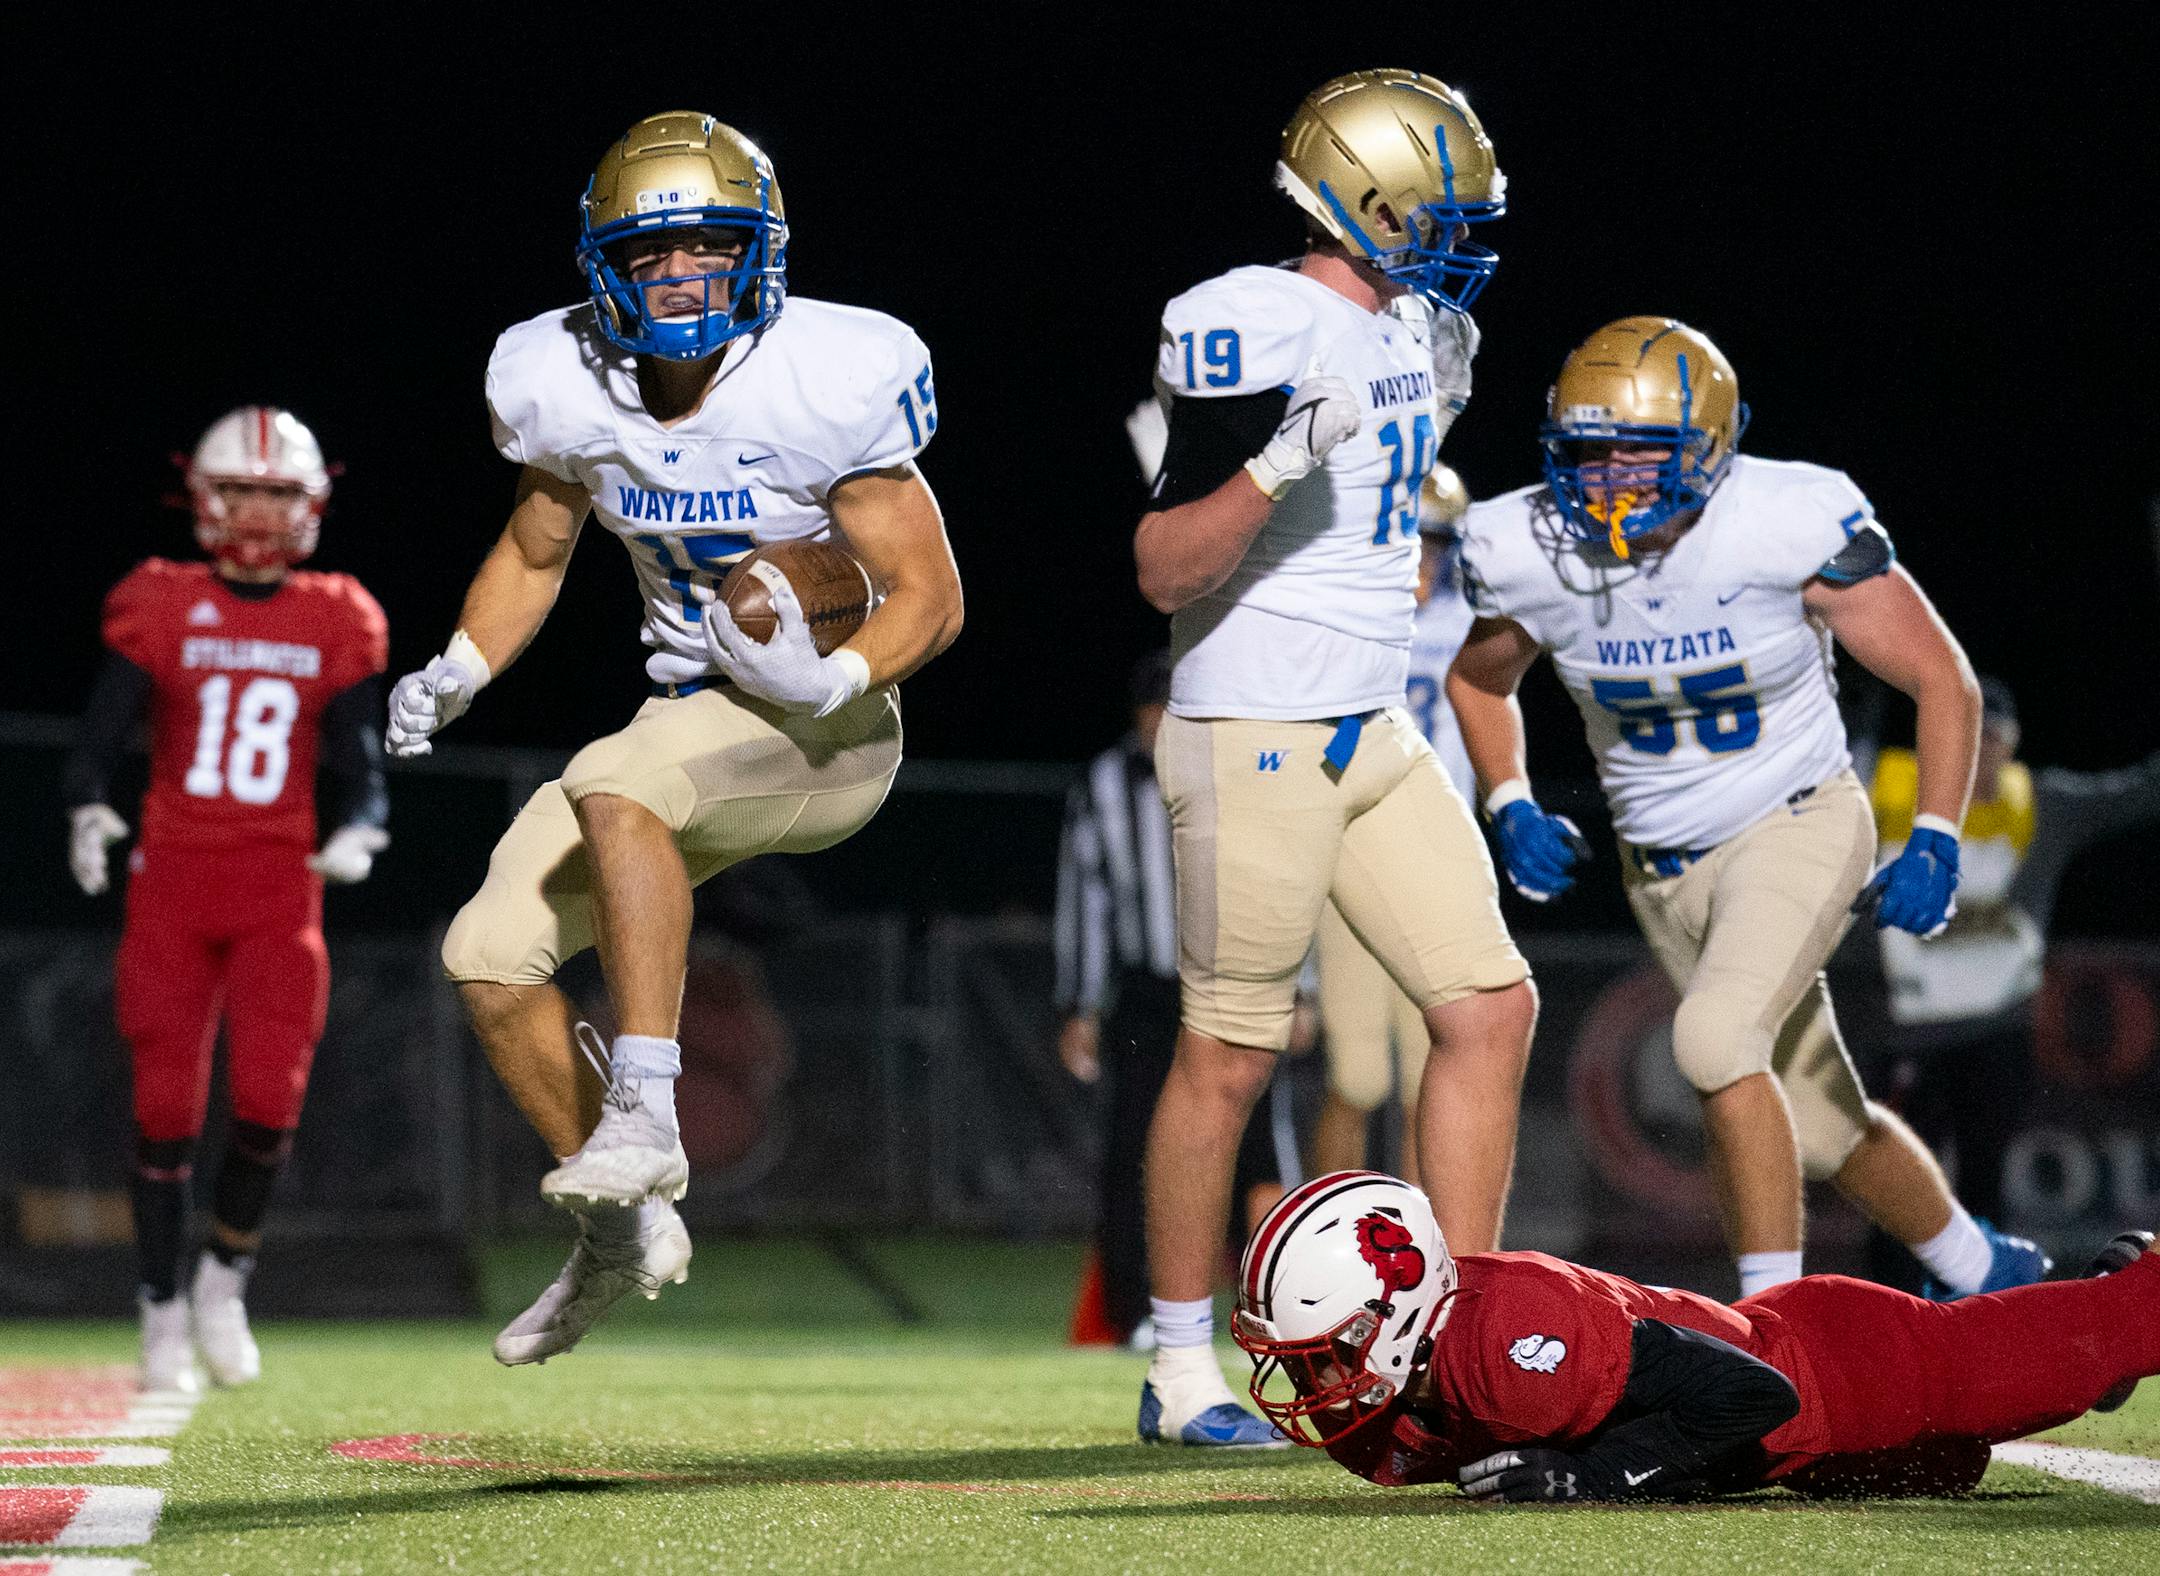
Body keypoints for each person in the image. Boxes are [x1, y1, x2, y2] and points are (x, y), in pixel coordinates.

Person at [383, 112, 962, 1366]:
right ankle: (619, 1229)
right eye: (653, 256)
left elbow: (933, 594)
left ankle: (647, 1107)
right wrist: (461, 665)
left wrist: (836, 675)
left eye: (709, 248)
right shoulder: (560, 377)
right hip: (689, 724)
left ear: (760, 253)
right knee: (487, 954)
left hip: (833, 732)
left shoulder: (826, 373)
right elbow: (537, 551)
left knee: (611, 779)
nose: (683, 276)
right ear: (608, 268)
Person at [1449, 317, 2047, 1301]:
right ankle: (1985, 1267)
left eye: (1641, 451)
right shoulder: (1528, 548)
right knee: (1817, 1120)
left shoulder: (1785, 520)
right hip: (1663, 870)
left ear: (1713, 448)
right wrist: (1506, 796)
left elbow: (1943, 677)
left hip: (1796, 821)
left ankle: (1773, 1323)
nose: (1611, 479)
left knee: (1715, 1042)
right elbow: (1479, 681)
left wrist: (1935, 831)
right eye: (1589, 452)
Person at [1131, 69, 1534, 1446]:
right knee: (1230, 1059)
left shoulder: (1418, 330)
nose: (1463, 232)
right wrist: (1274, 465)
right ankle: (1181, 1366)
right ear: (1361, 199)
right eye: (1441, 206)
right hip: (1255, 725)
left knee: (1487, 1009)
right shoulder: (1255, 319)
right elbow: (1161, 565)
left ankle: (1461, 1341)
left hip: (1373, 725)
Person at [64, 406, 390, 1392]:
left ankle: (224, 1277)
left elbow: (362, 762)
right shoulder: (159, 599)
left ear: (310, 504)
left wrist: (362, 825)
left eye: (274, 493)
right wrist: (86, 806)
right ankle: (159, 1307)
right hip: (172, 882)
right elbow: (98, 737)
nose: (256, 511)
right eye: (241, 490)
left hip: (278, 887)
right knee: (164, 1104)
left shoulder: (337, 613)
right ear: (204, 498)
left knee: (266, 1101)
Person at [1234, 1170, 2157, 1501]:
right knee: (1954, 1461)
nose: (1314, 1375)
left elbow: (1759, 1398)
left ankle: (2121, 1298)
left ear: (1394, 1310)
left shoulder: (1510, 1342)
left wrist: (1594, 1478)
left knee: (2113, 1334)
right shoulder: (1403, 1404)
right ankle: (2090, 1323)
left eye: (1324, 1347)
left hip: (1840, 1374)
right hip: (1799, 1450)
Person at [1865, 676, 2160, 1257]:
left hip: (1998, 1030)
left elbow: (2136, 794)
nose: (1980, 754)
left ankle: (1980, 1317)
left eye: (1992, 737)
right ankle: (1881, 1311)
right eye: (1966, 738)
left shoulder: (2043, 804)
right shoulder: (1886, 793)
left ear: (2013, 741)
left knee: (1984, 1179)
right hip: (1909, 1032)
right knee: (1895, 1184)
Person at [1311, 466, 1475, 1183]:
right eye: (1412, 540)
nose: (1424, 558)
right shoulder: (1343, 611)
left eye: (1435, 543)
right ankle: (1326, 1236)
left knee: (1426, 1082)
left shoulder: (1473, 620)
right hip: (1354, 852)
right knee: (1358, 1078)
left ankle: (1418, 1255)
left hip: (1440, 862)